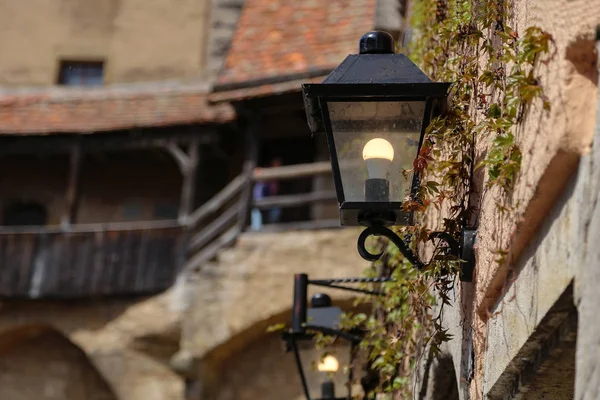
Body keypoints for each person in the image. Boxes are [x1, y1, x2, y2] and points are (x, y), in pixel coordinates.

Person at [251, 158, 282, 231]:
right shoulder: (266, 172)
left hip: (268, 199)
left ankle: (270, 228)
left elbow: (273, 191)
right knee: (257, 213)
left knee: (275, 212)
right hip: (259, 198)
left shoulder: (275, 179)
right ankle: (256, 231)